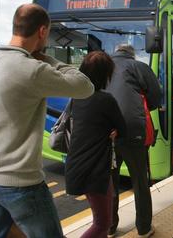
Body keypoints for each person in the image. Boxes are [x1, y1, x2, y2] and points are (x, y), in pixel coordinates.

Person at [0, 3, 94, 237]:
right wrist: (49, 60)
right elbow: (85, 86)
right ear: (42, 31)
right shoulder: (33, 70)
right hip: (21, 184)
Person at [66, 51, 126, 238]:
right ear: (105, 75)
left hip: (76, 165)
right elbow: (123, 128)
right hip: (95, 169)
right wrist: (116, 131)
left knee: (99, 220)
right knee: (103, 224)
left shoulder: (77, 98)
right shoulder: (105, 100)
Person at [106, 44, 161, 238]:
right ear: (132, 54)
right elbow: (156, 98)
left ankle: (110, 228)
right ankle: (144, 228)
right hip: (133, 132)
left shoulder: (103, 66)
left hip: (106, 132)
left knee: (109, 183)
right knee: (139, 181)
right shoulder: (139, 67)